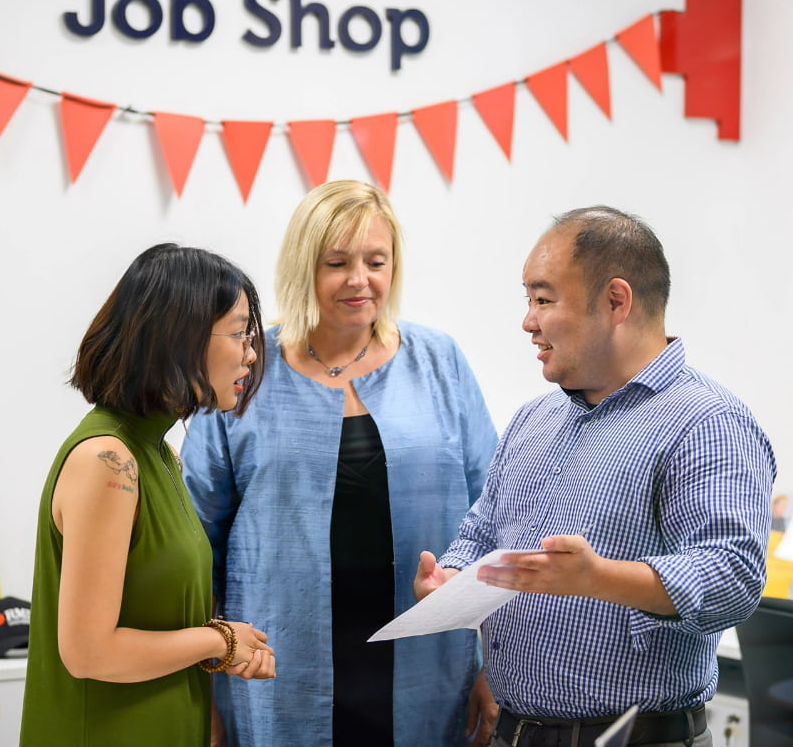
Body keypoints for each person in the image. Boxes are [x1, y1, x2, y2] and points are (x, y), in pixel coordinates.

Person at [415, 206, 776, 747]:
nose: (528, 321)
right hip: (513, 731)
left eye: (543, 300)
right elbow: (482, 534)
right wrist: (450, 578)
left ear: (615, 302)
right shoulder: (534, 419)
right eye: (528, 300)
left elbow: (732, 578)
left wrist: (598, 578)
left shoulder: (706, 422)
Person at [181, 180, 500, 747]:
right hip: (276, 665)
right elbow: (195, 543)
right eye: (337, 263)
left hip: (428, 668)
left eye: (376, 261)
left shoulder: (439, 361)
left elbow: (495, 519)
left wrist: (495, 666)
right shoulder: (244, 369)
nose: (360, 279)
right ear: (303, 266)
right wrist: (199, 690)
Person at [20, 244, 276, 747]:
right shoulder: (107, 461)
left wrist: (223, 642)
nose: (251, 352)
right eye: (239, 332)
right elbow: (89, 652)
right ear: (179, 337)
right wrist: (219, 640)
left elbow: (150, 614)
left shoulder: (160, 455)